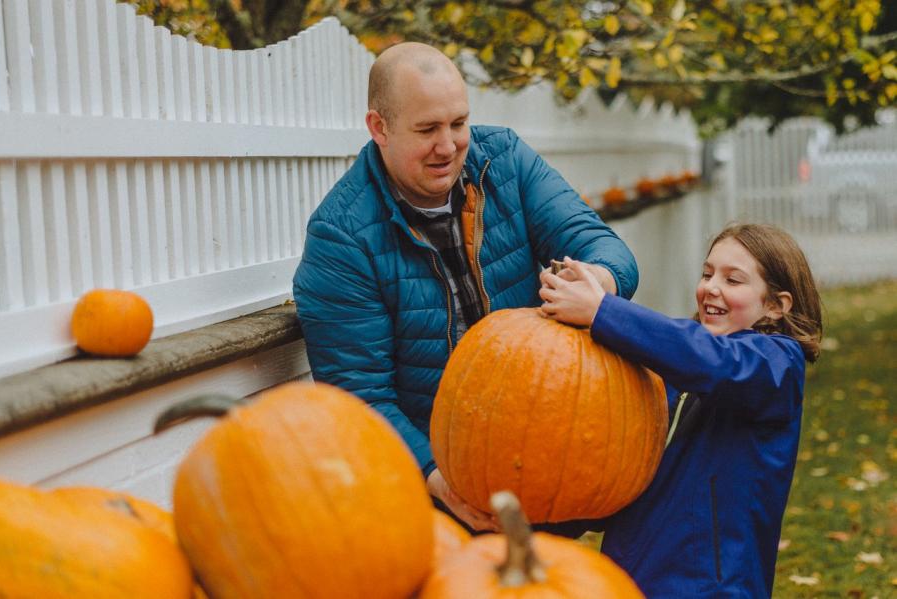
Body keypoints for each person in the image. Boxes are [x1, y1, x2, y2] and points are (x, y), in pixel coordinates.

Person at [292, 42, 638, 533]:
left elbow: (605, 249)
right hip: (439, 483)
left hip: (548, 446)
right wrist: (438, 479)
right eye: (427, 129)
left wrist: (595, 285)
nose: (449, 145)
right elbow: (360, 396)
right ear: (379, 128)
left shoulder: (506, 162)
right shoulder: (342, 237)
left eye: (458, 123)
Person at [538, 223, 823, 597]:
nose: (711, 287)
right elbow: (624, 478)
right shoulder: (677, 373)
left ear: (775, 305)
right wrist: (543, 519)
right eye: (707, 274)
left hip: (713, 586)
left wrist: (603, 312)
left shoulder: (777, 365)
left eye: (733, 280)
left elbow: (716, 363)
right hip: (633, 574)